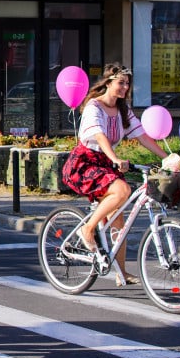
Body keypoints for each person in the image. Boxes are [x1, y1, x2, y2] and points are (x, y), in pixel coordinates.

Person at [62, 63, 168, 286]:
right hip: (86, 162)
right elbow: (99, 136)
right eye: (121, 83)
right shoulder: (94, 107)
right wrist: (115, 159)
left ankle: (121, 272)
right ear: (108, 83)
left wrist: (166, 157)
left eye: (127, 84)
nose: (124, 88)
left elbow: (143, 136)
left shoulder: (122, 110)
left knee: (119, 219)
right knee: (122, 190)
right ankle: (88, 228)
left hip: (106, 163)